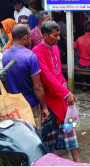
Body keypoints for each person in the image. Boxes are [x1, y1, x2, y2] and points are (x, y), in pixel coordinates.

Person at [32, 21, 80, 162]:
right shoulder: (37, 52)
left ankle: (77, 162)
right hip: (49, 98)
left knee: (69, 128)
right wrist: (66, 93)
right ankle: (47, 161)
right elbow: (47, 76)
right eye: (56, 35)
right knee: (48, 134)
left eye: (59, 35)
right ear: (45, 35)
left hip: (60, 95)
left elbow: (58, 72)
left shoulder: (55, 48)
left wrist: (64, 85)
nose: (59, 38)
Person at [3, 24, 49, 127]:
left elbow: (4, 82)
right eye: (29, 36)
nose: (30, 39)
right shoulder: (30, 56)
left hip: (12, 106)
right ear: (24, 38)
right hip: (30, 105)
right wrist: (44, 107)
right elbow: (37, 87)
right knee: (33, 136)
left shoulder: (4, 55)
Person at [74, 22, 90, 90]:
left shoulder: (79, 38)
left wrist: (78, 57)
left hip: (81, 63)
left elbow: (74, 49)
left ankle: (84, 83)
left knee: (82, 66)